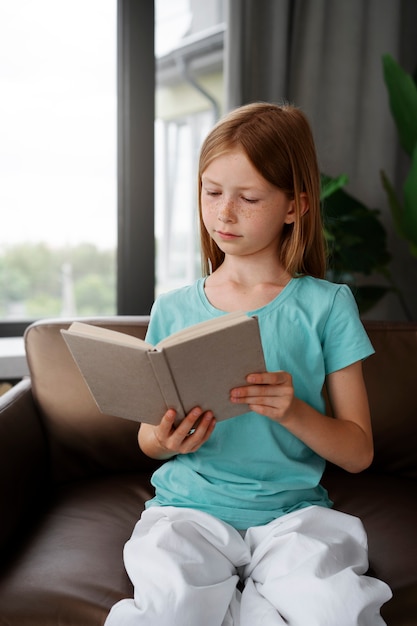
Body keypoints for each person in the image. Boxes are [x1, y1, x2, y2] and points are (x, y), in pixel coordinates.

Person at [105, 102, 392, 626]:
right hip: (187, 513)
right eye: (211, 192)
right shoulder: (173, 307)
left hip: (294, 519)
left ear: (294, 206)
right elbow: (148, 439)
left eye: (249, 197)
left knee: (334, 612)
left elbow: (358, 453)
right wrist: (166, 440)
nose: (224, 213)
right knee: (167, 611)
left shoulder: (326, 305)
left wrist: (293, 412)